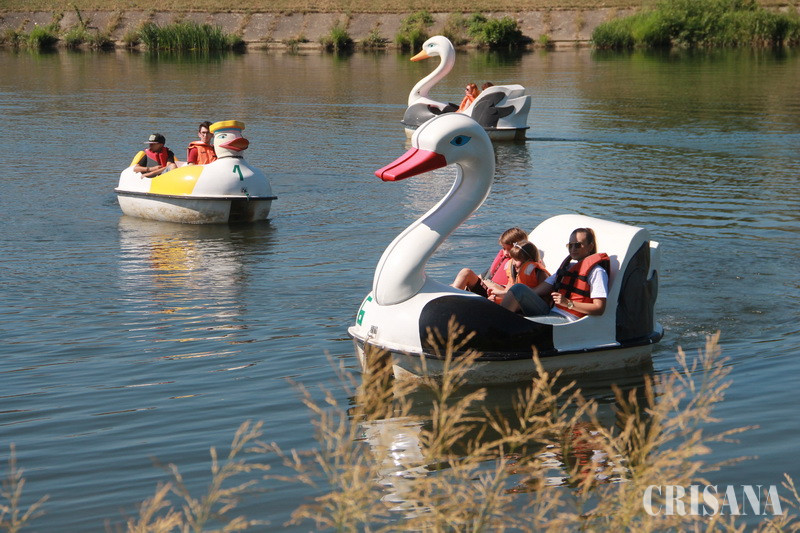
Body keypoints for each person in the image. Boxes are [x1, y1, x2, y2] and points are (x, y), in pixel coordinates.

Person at [500, 227, 610, 320]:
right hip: (550, 312)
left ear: (590, 247)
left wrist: (568, 303)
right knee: (518, 288)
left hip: (568, 319)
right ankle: (499, 322)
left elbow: (599, 308)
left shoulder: (597, 272)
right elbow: (536, 291)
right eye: (570, 245)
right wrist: (505, 294)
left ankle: (499, 326)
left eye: (577, 245)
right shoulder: (567, 268)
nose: (573, 249)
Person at [451, 227, 528, 298]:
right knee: (464, 275)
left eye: (509, 249)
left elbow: (511, 291)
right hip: (487, 289)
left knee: (466, 272)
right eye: (504, 248)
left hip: (496, 295)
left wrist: (491, 286)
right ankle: (450, 295)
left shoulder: (519, 265)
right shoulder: (504, 258)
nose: (505, 253)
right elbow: (483, 276)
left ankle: (451, 299)